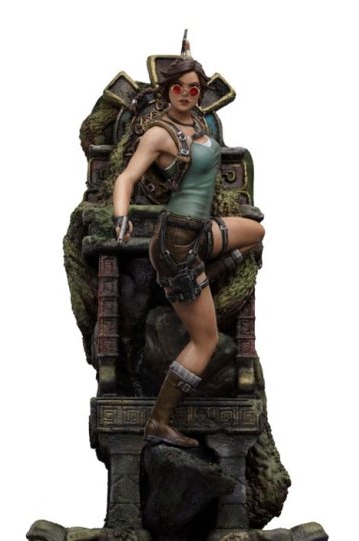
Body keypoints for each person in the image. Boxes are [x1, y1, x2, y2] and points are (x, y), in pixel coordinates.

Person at [111, 41, 265, 448]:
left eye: (193, 88)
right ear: (167, 91)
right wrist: (121, 216)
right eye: (178, 87)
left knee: (254, 233)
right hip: (176, 245)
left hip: (199, 233)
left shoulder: (199, 124)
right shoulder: (158, 134)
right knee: (206, 341)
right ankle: (159, 421)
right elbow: (126, 177)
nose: (186, 94)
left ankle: (204, 279)